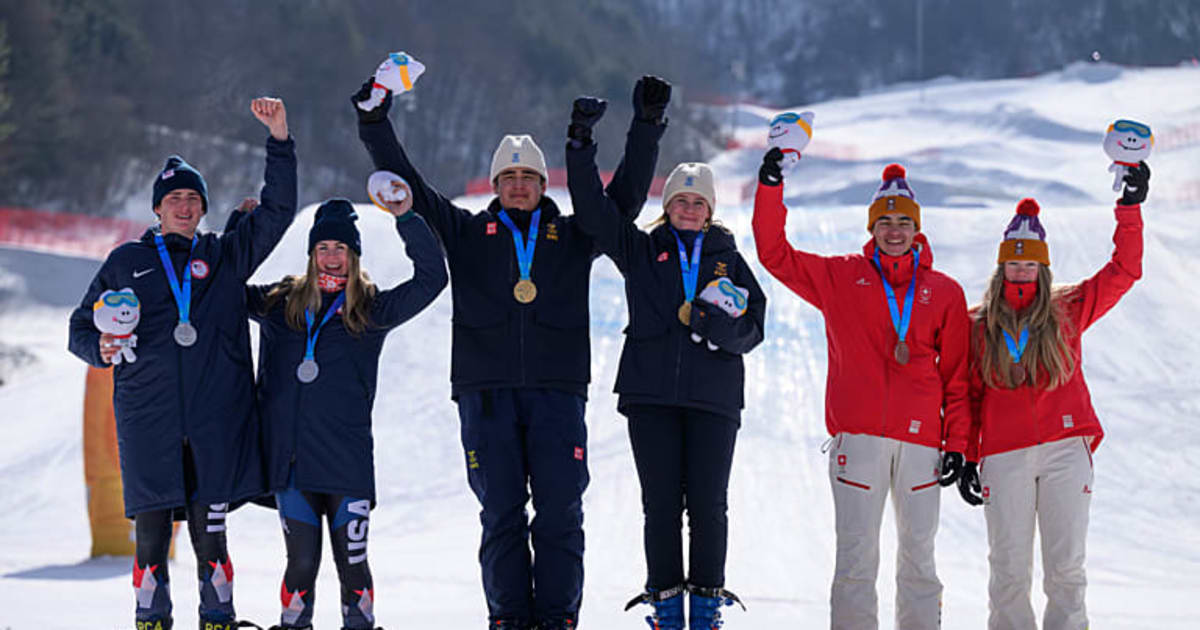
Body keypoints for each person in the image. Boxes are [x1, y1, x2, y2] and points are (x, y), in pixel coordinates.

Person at [352, 73, 670, 629]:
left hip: (556, 391)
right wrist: (374, 121)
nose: (520, 185)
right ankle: (507, 620)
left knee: (561, 515)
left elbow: (623, 200)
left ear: (544, 184)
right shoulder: (466, 233)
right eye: (510, 176)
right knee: (500, 516)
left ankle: (558, 619)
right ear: (496, 184)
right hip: (486, 394)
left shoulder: (574, 237)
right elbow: (410, 184)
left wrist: (645, 127)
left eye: (529, 176)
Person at [68, 98, 296, 630]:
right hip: (149, 423)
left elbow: (278, 212)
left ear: (204, 208)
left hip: (215, 423)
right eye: (175, 198)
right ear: (157, 208)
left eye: (194, 198)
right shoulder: (127, 262)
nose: (185, 206)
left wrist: (279, 140)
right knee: (150, 538)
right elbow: (80, 327)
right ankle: (151, 620)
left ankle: (217, 619)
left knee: (210, 534)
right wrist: (98, 349)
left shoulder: (224, 255)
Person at [565, 89, 764, 630]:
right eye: (682, 201)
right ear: (668, 206)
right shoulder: (641, 251)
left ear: (711, 210)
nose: (690, 209)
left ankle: (705, 606)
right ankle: (664, 603)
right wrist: (582, 143)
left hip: (713, 399)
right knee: (659, 506)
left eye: (699, 203)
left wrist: (705, 322)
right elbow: (591, 209)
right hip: (651, 395)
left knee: (708, 507)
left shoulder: (729, 261)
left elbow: (752, 331)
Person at [751, 148, 971, 630]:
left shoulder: (946, 292)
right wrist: (771, 186)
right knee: (855, 562)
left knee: (919, 560)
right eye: (885, 221)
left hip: (920, 446)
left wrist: (957, 444)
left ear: (918, 230)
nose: (895, 231)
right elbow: (774, 253)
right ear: (872, 228)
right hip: (859, 440)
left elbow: (958, 377)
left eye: (903, 222)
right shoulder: (838, 276)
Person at [229, 186, 446, 630]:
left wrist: (407, 219)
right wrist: (241, 229)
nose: (331, 257)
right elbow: (224, 286)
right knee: (302, 564)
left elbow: (432, 279)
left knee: (353, 565)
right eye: (323, 247)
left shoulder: (371, 309)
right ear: (311, 254)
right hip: (292, 466)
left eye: (340, 248)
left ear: (354, 255)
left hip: (346, 464)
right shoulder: (279, 303)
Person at [956, 163, 1149, 630]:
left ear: (1043, 267)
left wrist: (1130, 207)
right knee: (1008, 573)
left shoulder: (1069, 308)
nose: (1021, 270)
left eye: (1030, 263)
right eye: (1013, 262)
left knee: (1065, 571)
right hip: (1003, 456)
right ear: (1001, 266)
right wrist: (964, 453)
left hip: (1066, 451)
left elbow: (1125, 270)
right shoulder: (978, 324)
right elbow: (968, 395)